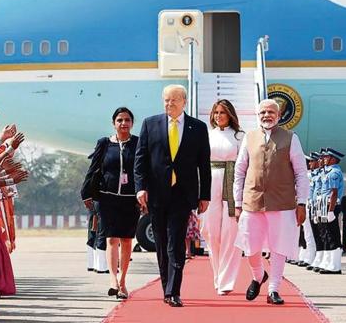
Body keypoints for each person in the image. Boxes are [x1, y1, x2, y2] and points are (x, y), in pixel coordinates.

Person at [134, 84, 211, 307]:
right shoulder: (150, 124)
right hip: (157, 193)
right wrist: (140, 187)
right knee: (161, 242)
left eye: (174, 100)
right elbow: (140, 161)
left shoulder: (197, 127)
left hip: (183, 193)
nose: (169, 104)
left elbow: (203, 165)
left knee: (176, 242)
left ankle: (174, 290)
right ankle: (166, 287)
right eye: (166, 100)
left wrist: (204, 195)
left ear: (184, 102)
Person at [233, 98, 309, 305]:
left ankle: (274, 289)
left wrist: (301, 202)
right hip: (252, 200)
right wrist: (237, 202)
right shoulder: (249, 137)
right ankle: (258, 275)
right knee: (250, 244)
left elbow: (301, 172)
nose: (267, 116)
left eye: (270, 112)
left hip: (282, 202)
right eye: (263, 113)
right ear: (258, 116)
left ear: (278, 115)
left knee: (279, 245)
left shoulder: (290, 138)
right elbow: (240, 171)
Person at [82, 107, 140, 299]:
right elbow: (94, 168)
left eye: (127, 120)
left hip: (130, 199)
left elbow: (144, 171)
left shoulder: (138, 144)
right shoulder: (105, 143)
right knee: (111, 239)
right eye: (120, 120)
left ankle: (123, 281)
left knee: (126, 240)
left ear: (132, 123)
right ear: (113, 123)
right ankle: (113, 280)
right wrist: (87, 193)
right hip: (107, 198)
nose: (123, 123)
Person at [200, 99, 244, 295]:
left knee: (230, 232)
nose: (218, 116)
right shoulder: (207, 135)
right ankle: (217, 276)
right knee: (210, 232)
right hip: (210, 183)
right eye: (216, 112)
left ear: (230, 115)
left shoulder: (240, 136)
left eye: (222, 112)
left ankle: (226, 280)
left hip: (232, 184)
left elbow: (245, 164)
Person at [317, 148, 345, 274]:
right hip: (324, 204)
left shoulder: (334, 172)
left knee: (333, 235)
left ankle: (335, 265)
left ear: (333, 159)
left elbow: (334, 193)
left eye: (326, 157)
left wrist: (330, 211)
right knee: (326, 234)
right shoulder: (327, 171)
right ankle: (328, 262)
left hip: (330, 205)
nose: (324, 159)